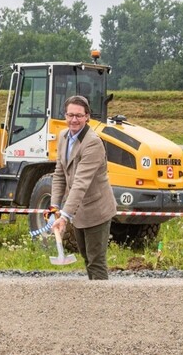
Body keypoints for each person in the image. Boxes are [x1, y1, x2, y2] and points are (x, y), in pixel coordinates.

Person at [51, 95, 117, 280]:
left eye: (79, 115)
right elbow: (59, 174)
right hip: (78, 210)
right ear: (65, 115)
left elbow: (80, 182)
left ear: (87, 116)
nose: (74, 119)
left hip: (97, 210)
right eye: (70, 115)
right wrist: (54, 206)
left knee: (95, 261)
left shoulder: (93, 143)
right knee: (86, 257)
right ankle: (94, 300)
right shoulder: (63, 137)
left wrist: (64, 216)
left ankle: (101, 301)